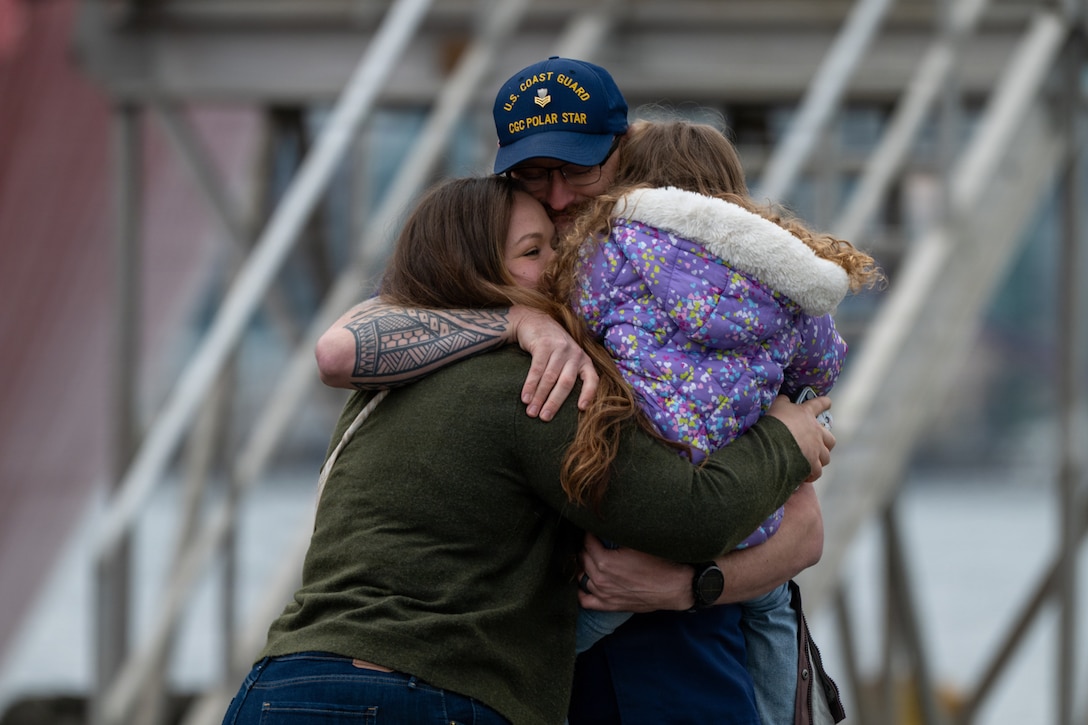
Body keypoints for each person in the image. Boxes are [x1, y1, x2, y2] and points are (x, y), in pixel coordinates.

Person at [314, 57, 839, 724]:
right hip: (527, 672)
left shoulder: (693, 298)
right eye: (535, 173)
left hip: (675, 656)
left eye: (579, 170)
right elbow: (347, 345)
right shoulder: (513, 283)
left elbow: (804, 530)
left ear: (625, 157)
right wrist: (516, 318)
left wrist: (687, 585)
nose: (559, 196)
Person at [545, 117, 883, 724]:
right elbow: (824, 360)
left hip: (635, 497)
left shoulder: (601, 257)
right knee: (774, 613)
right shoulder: (781, 276)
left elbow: (575, 316)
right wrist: (791, 395)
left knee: (550, 645)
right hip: (743, 504)